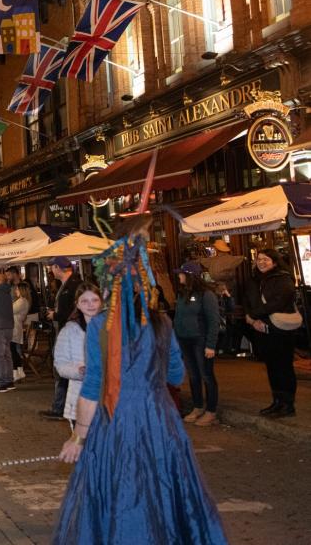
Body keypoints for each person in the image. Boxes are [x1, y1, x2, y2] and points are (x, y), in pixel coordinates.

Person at [54, 218, 227, 544]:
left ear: (108, 286)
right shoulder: (161, 321)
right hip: (160, 420)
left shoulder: (100, 325)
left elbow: (93, 386)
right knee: (162, 491)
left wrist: (78, 438)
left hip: (115, 421)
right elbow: (176, 374)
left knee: (121, 491)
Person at [244, 248, 299, 418]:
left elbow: (280, 301)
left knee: (284, 366)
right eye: (259, 259)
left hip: (280, 329)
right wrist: (252, 319)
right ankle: (277, 401)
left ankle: (288, 404)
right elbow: (247, 300)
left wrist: (255, 314)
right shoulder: (254, 279)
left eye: (265, 259)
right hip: (262, 328)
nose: (261, 262)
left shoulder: (282, 278)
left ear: (274, 261)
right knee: (272, 367)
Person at [173, 261, 221, 426]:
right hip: (184, 340)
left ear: (189, 275)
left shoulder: (206, 295)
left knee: (206, 375)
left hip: (200, 340)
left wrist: (211, 345)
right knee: (193, 376)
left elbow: (214, 321)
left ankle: (211, 411)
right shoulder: (182, 293)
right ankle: (198, 406)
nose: (178, 276)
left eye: (181, 273)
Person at [53, 283, 102, 427]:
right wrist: (78, 371)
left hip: (108, 401)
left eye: (94, 300)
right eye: (84, 301)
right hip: (80, 398)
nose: (90, 305)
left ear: (101, 302)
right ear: (78, 305)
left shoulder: (110, 329)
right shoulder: (69, 331)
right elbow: (60, 364)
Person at [41, 257, 81, 419]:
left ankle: (60, 408)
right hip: (66, 332)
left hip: (69, 334)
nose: (51, 271)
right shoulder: (69, 285)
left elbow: (72, 311)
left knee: (63, 369)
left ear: (57, 267)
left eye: (52, 267)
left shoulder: (73, 285)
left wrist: (55, 314)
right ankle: (61, 406)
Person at [11, 281, 31, 382]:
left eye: (17, 289)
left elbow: (10, 310)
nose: (16, 291)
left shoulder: (22, 301)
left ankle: (15, 372)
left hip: (14, 328)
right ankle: (19, 371)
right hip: (16, 327)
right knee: (14, 350)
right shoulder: (22, 301)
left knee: (13, 350)